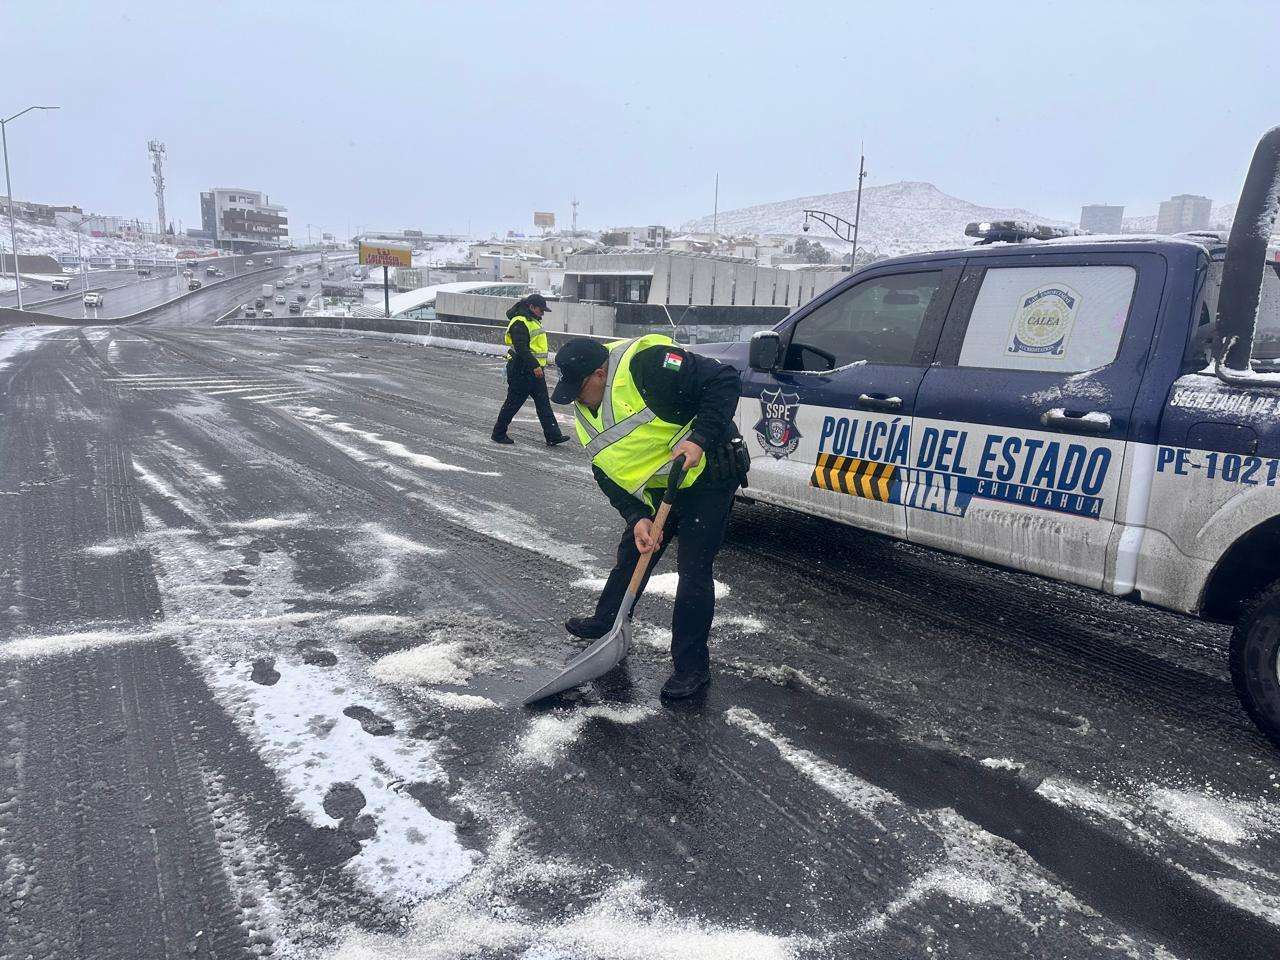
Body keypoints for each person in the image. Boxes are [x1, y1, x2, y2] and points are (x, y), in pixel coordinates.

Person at [551, 334, 746, 699]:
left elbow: (725, 379)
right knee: (635, 550)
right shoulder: (587, 411)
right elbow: (605, 470)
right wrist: (637, 515)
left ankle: (691, 667)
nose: (576, 399)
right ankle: (608, 621)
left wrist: (699, 438)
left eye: (579, 389)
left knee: (693, 569)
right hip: (664, 485)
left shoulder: (650, 365)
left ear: (599, 374)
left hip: (709, 474)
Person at [492, 294, 569, 446]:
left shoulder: (532, 321)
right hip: (521, 370)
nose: (543, 313)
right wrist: (535, 365)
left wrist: (537, 367)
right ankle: (498, 434)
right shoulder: (519, 322)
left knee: (543, 403)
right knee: (513, 403)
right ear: (531, 307)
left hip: (534, 371)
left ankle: (553, 436)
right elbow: (521, 348)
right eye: (541, 310)